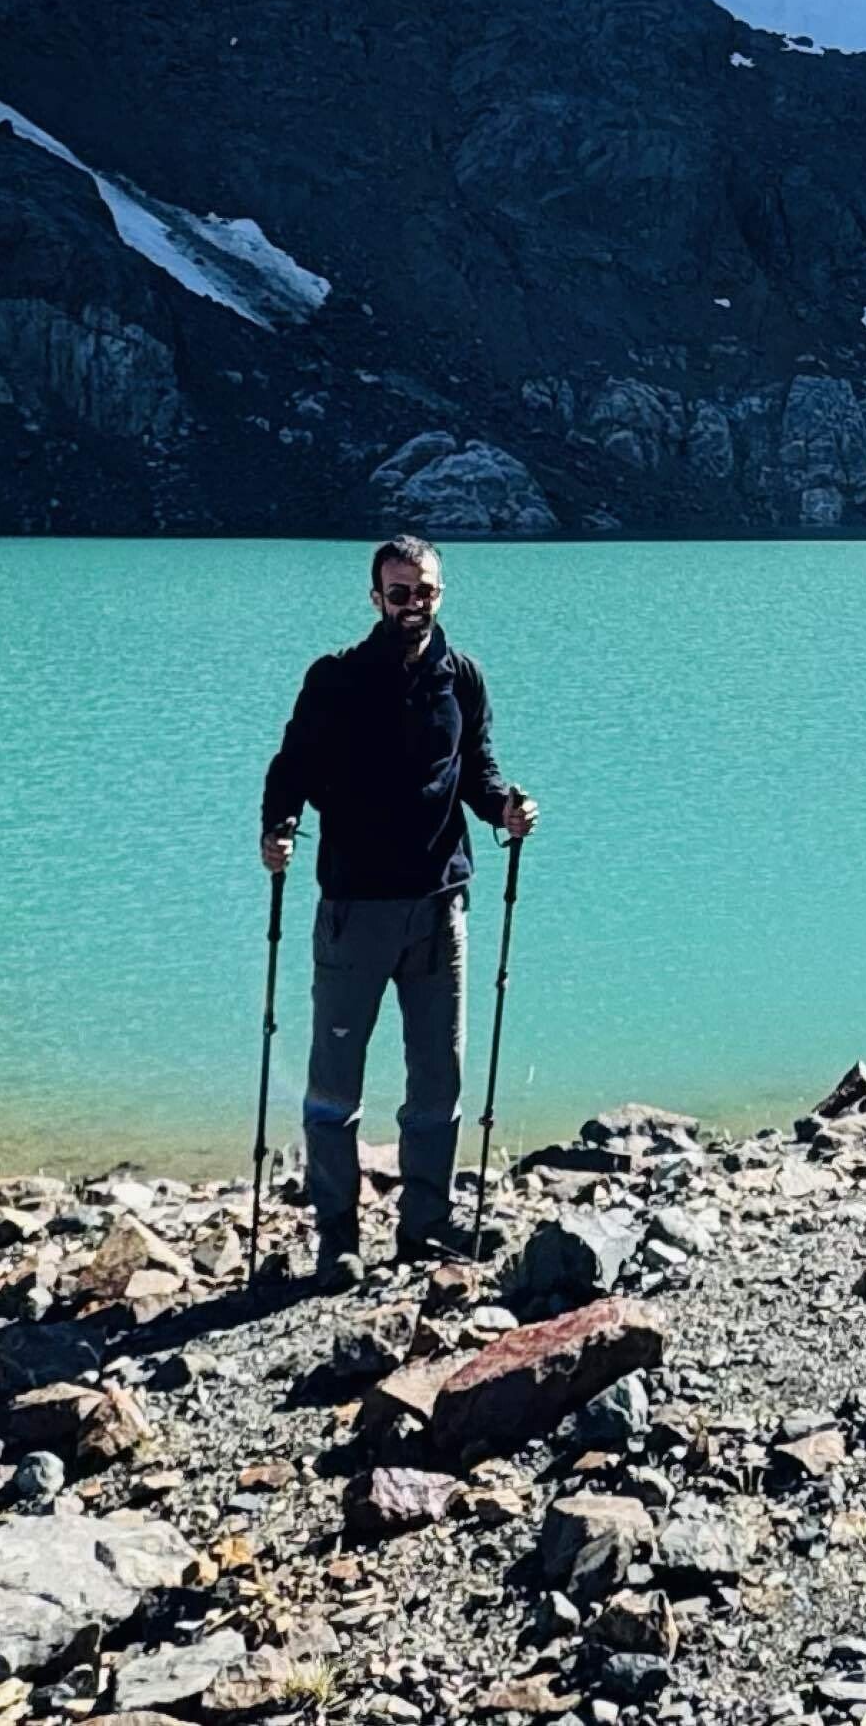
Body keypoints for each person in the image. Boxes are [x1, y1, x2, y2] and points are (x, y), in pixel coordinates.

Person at [260, 535, 534, 1276]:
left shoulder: (463, 678)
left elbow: (476, 769)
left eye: (426, 591)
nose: (414, 604)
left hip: (440, 906)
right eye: (400, 591)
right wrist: (275, 831)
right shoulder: (336, 680)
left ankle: (424, 1225)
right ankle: (338, 1236)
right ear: (376, 596)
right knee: (334, 1081)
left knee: (437, 1077)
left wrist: (504, 807)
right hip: (355, 905)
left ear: (440, 593)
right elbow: (290, 768)